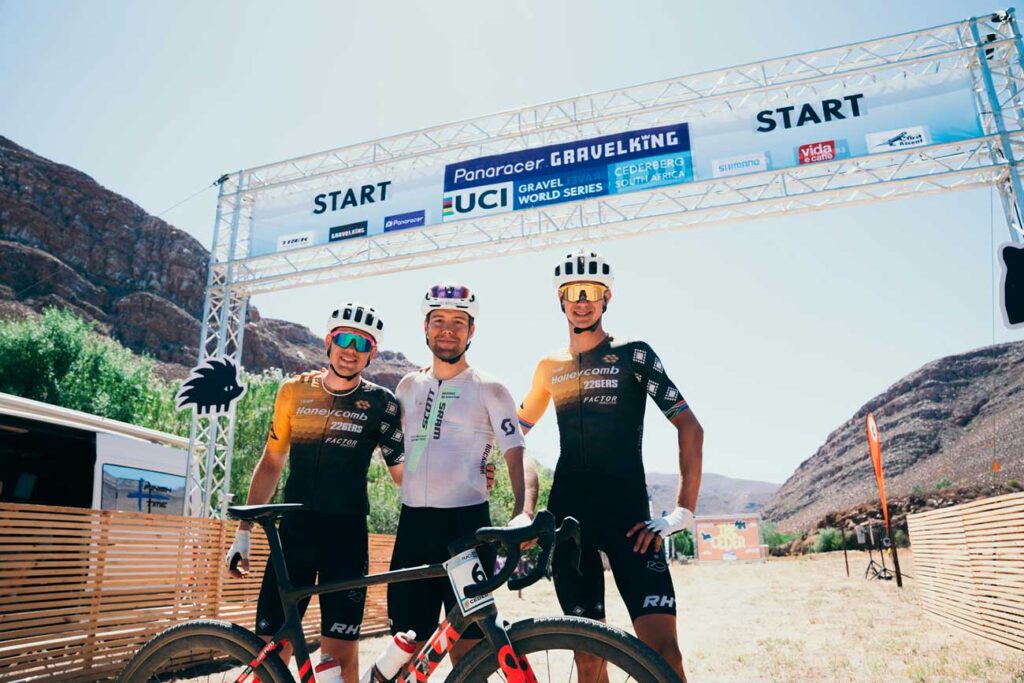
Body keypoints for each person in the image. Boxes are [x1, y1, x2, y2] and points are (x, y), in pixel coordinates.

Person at [517, 250, 703, 682]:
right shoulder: (549, 367)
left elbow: (690, 426)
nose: (582, 301)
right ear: (560, 300)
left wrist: (683, 512)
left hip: (630, 521)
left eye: (592, 292)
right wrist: (495, 468)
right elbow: (515, 433)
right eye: (573, 292)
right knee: (588, 659)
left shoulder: (634, 355)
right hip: (569, 523)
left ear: (607, 298)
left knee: (664, 655)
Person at [224, 303, 405, 682]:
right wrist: (243, 531)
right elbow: (271, 461)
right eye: (344, 339)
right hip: (294, 536)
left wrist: (471, 469)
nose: (351, 349)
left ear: (372, 353)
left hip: (346, 538)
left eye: (362, 343)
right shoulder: (293, 391)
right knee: (271, 656)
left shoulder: (383, 403)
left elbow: (402, 474)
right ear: (328, 342)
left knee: (338, 661)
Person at [387, 283, 538, 663]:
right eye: (438, 320)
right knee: (404, 653)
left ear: (472, 330)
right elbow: (400, 455)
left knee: (469, 653)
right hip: (413, 529)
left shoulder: (490, 388)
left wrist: (524, 512)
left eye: (458, 322)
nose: (447, 330)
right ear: (425, 327)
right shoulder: (407, 386)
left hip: (466, 529)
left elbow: (518, 453)